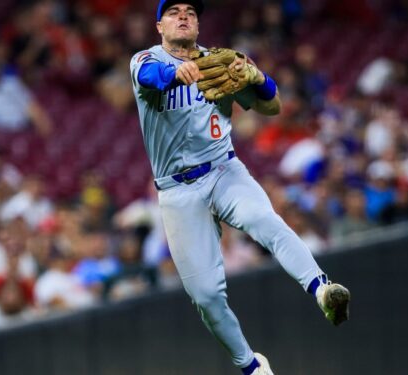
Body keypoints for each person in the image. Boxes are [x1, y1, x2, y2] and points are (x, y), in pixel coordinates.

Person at [129, 1, 350, 374]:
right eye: (174, 11)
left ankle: (323, 289)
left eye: (191, 12)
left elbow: (273, 107)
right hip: (177, 190)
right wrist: (178, 72)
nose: (183, 15)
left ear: (198, 25)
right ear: (160, 26)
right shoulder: (144, 60)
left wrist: (257, 77)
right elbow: (151, 78)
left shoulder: (221, 62)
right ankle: (250, 365)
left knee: (265, 219)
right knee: (206, 296)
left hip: (223, 170)